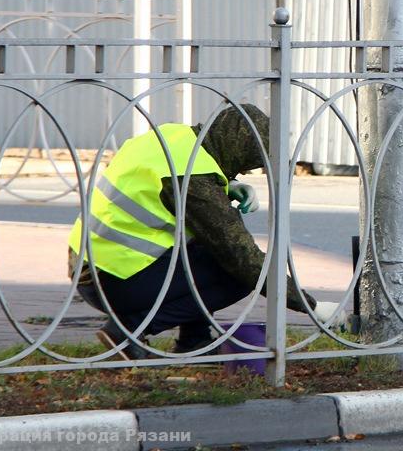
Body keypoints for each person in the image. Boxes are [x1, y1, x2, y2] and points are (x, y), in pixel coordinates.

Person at [67, 103, 338, 359]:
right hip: (113, 280)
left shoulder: (174, 136)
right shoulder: (195, 182)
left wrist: (226, 183)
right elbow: (244, 258)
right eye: (246, 164)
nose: (246, 170)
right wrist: (310, 306)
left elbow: (167, 182)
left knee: (202, 250)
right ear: (237, 151)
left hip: (89, 263)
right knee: (236, 274)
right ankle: (129, 330)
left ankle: (194, 341)